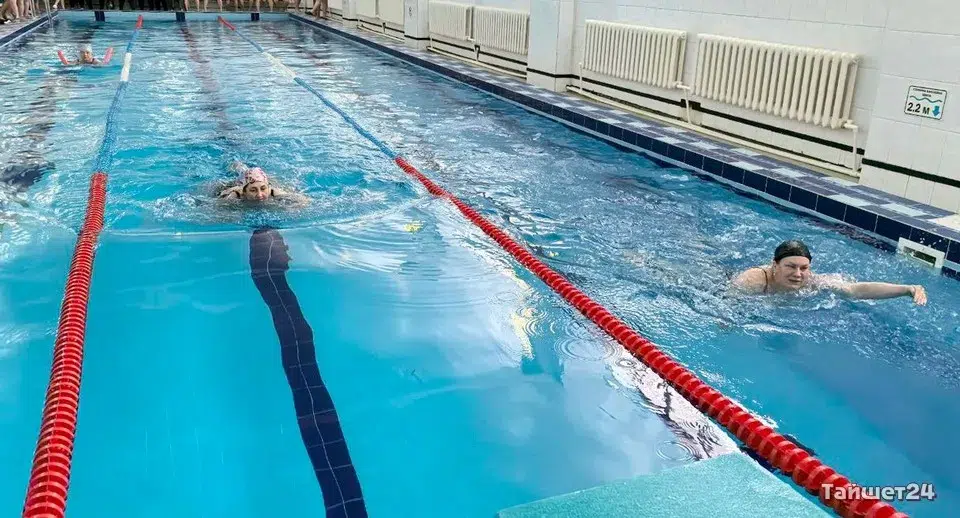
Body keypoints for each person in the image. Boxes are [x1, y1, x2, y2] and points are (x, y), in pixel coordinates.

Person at [732, 239, 927, 305]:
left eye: (804, 268)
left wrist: (907, 289)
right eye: (791, 266)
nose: (798, 274)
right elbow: (729, 302)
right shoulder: (754, 280)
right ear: (775, 265)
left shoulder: (811, 281)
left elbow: (855, 290)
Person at [217, 160, 309, 206]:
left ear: (268, 187)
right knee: (235, 169)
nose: (260, 195)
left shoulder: (274, 192)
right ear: (244, 191)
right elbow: (216, 206)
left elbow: (305, 201)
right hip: (238, 184)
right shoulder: (237, 194)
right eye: (253, 190)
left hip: (261, 181)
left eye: (263, 189)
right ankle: (237, 165)